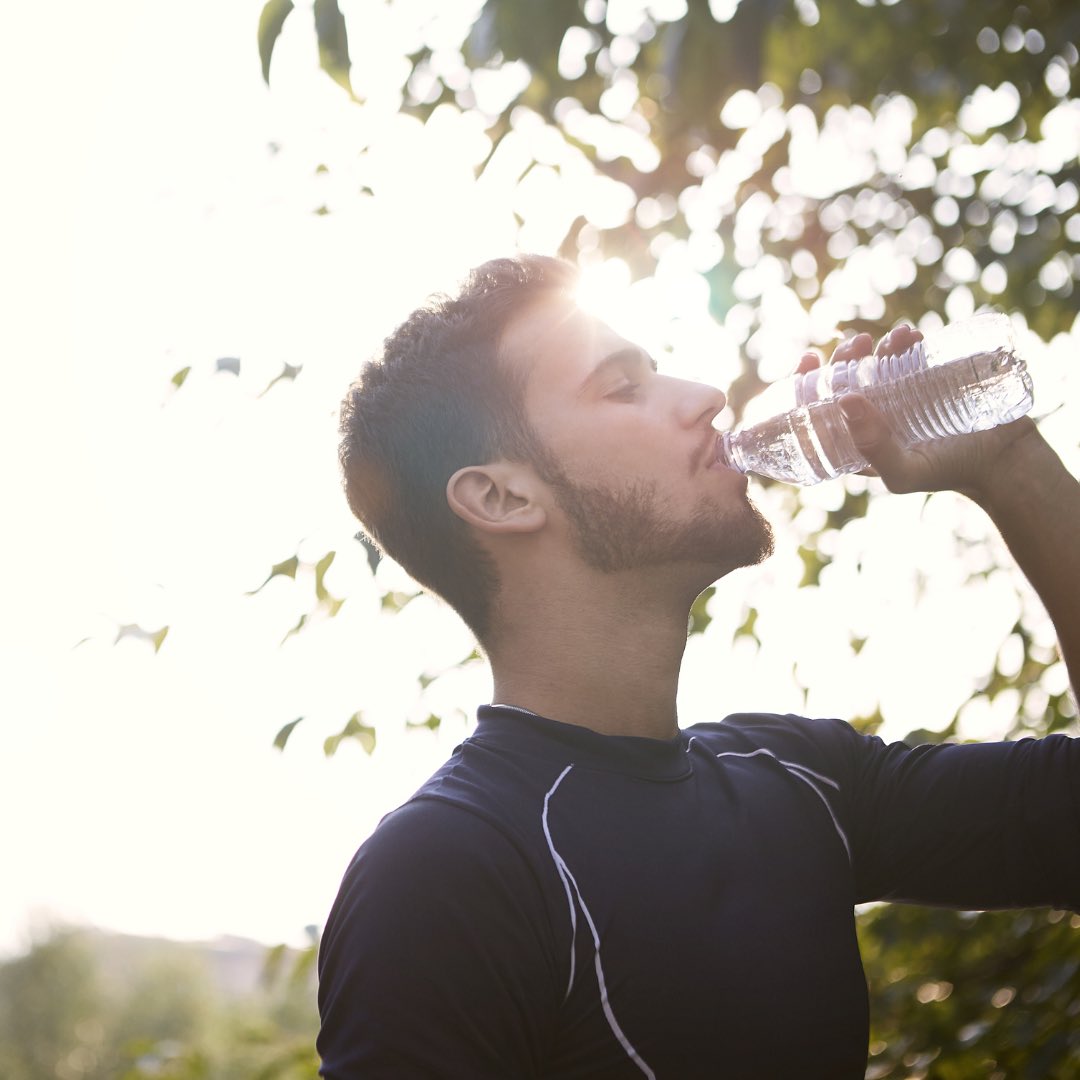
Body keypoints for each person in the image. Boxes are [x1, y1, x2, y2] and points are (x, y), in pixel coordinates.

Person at [317, 254, 1080, 1078]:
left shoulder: (799, 778)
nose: (707, 398)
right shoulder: (446, 872)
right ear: (502, 498)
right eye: (623, 386)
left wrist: (1009, 464)